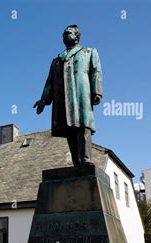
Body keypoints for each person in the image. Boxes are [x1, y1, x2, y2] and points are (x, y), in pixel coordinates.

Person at [34, 24, 102, 166]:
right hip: (63, 98)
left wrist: (97, 91)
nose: (64, 36)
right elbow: (50, 83)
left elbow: (95, 72)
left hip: (82, 92)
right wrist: (43, 100)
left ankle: (86, 159)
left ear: (77, 36)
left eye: (68, 33)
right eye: (63, 34)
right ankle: (76, 162)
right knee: (69, 129)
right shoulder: (57, 60)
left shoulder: (89, 52)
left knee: (83, 125)